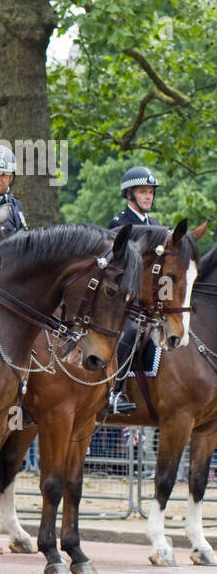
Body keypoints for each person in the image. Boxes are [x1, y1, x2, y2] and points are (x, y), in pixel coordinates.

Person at [105, 166, 161, 414]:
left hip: (151, 298)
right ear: (129, 195)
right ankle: (114, 393)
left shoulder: (156, 225)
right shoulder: (120, 223)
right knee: (130, 332)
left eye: (150, 192)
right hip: (125, 299)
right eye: (142, 192)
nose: (148, 196)